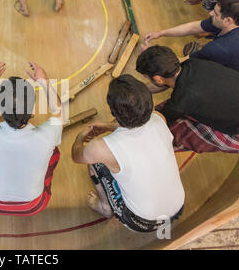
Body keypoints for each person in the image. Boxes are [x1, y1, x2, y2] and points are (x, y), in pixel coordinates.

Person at [71, 74, 185, 232]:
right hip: (176, 207)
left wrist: (79, 137)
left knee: (95, 162)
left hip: (142, 221)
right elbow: (137, 132)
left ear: (113, 113)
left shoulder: (100, 148)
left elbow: (77, 156)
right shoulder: (158, 118)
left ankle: (105, 207)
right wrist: (109, 127)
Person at [0, 62, 63, 216]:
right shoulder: (47, 136)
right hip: (34, 205)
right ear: (33, 111)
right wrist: (44, 81)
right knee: (54, 149)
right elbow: (58, 112)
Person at [136, 45, 239, 153]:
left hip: (237, 132)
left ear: (158, 79)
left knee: (175, 134)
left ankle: (151, 151)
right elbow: (165, 85)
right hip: (230, 100)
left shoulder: (182, 99)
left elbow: (159, 120)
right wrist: (139, 89)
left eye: (146, 77)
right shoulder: (192, 63)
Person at [143, 0, 239, 72]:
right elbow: (193, 27)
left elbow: (178, 64)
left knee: (180, 73)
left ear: (228, 20)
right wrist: (160, 33)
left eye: (215, 14)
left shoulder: (219, 48)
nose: (210, 13)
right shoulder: (233, 19)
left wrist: (152, 52)